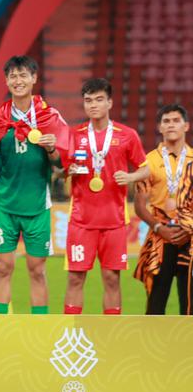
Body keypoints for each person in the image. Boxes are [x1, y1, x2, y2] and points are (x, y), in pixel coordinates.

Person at [0, 55, 68, 314]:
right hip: (5, 206)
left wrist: (52, 149)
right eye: (12, 76)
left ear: (34, 78)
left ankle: (38, 329)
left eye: (23, 75)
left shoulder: (50, 117)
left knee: (37, 270)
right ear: (7, 81)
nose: (17, 81)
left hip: (37, 207)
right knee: (4, 267)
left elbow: (62, 165)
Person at [61, 78, 148, 314]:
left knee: (111, 279)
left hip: (114, 222)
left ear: (110, 102)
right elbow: (59, 171)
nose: (93, 105)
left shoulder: (127, 135)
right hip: (81, 221)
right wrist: (64, 171)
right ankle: (70, 332)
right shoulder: (73, 134)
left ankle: (110, 337)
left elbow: (146, 168)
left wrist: (130, 178)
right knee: (75, 279)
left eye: (99, 100)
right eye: (88, 100)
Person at [135, 104, 191, 314]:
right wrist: (158, 227)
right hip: (160, 238)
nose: (171, 125)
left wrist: (188, 229)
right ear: (159, 127)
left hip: (190, 239)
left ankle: (188, 346)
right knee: (156, 301)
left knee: (189, 303)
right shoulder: (148, 161)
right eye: (166, 121)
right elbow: (140, 206)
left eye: (176, 120)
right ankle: (151, 346)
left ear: (186, 126)